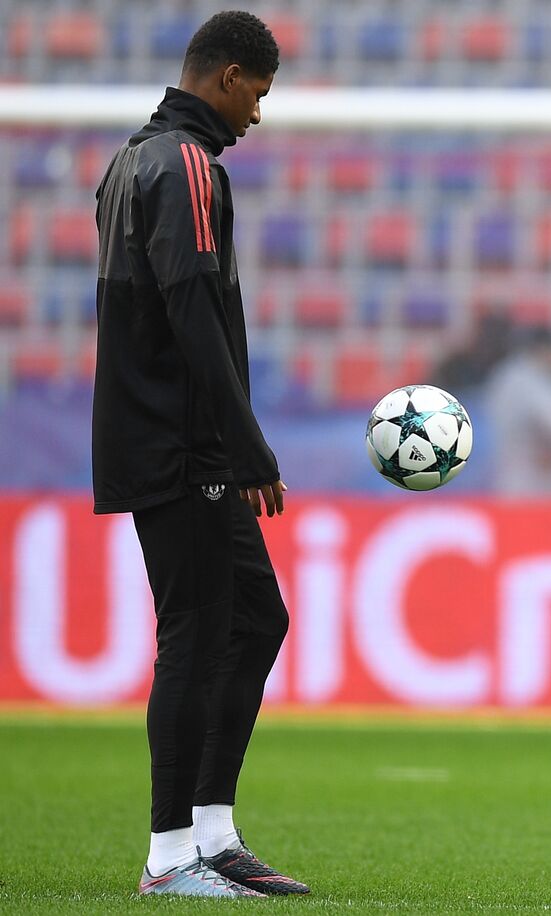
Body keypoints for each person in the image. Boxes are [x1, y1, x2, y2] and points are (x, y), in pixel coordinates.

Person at [93, 11, 309, 898]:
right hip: (180, 444)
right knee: (194, 634)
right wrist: (246, 445)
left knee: (257, 620)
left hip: (173, 436)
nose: (257, 113)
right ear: (224, 77)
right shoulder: (182, 164)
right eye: (256, 94)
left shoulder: (129, 162)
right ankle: (169, 855)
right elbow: (187, 307)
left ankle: (213, 834)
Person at [483, 325, 551, 496]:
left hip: (506, 472)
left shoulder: (507, 374)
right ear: (544, 350)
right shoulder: (534, 380)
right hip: (534, 476)